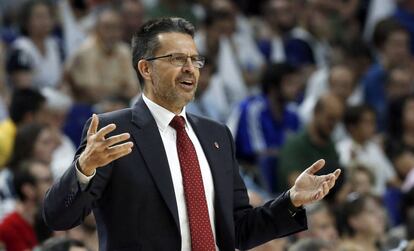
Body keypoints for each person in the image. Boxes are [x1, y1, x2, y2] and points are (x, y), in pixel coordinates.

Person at [43, 17, 341, 251]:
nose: (190, 69)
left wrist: (291, 200)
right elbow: (59, 217)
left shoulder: (217, 135)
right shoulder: (114, 131)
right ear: (146, 68)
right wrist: (83, 169)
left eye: (195, 60)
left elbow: (238, 230)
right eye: (176, 59)